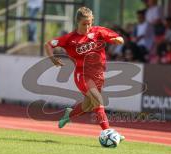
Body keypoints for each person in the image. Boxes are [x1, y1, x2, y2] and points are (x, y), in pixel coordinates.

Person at [44, 7, 125, 141]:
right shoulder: (70, 38)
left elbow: (118, 37)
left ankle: (68, 115)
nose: (87, 27)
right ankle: (109, 133)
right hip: (82, 75)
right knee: (98, 101)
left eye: (89, 23)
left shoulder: (98, 31)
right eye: (84, 24)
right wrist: (52, 59)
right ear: (77, 23)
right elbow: (48, 44)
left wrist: (118, 40)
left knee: (87, 105)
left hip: (98, 75)